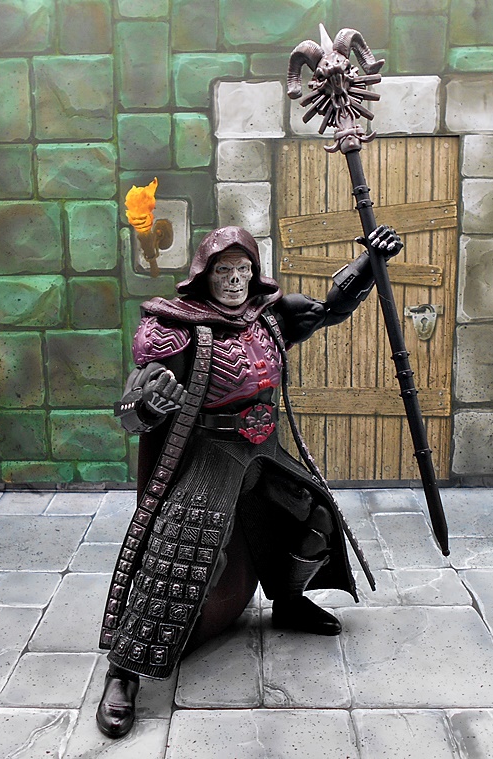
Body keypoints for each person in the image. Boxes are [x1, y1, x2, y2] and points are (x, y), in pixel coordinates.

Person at [96, 224, 401, 738]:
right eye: (224, 270)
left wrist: (370, 263)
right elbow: (131, 410)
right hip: (212, 452)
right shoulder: (175, 327)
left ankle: (288, 600)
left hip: (264, 446)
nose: (235, 280)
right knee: (180, 552)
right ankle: (124, 671)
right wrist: (150, 403)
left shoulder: (270, 317)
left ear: (254, 273)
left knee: (315, 517)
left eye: (242, 270)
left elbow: (331, 309)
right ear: (204, 275)